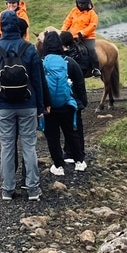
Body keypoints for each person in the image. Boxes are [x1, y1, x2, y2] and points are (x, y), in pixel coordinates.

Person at [0, 10, 44, 201]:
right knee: (29, 146)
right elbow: (37, 81)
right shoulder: (30, 49)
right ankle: (33, 189)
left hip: (4, 106)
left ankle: (7, 190)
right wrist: (40, 107)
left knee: (7, 147)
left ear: (1, 27)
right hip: (28, 105)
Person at [39, 31, 88, 176]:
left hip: (49, 108)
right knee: (72, 133)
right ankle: (79, 162)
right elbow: (80, 84)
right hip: (68, 105)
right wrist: (81, 103)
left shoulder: (41, 63)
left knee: (52, 136)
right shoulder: (69, 62)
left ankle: (58, 166)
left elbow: (38, 85)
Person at [61, 0, 103, 78]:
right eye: (79, 3)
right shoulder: (74, 10)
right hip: (73, 36)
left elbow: (93, 25)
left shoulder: (92, 13)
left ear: (87, 3)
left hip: (88, 37)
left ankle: (95, 68)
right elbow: (67, 21)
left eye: (83, 3)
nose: (80, 5)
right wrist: (63, 31)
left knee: (91, 50)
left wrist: (83, 32)